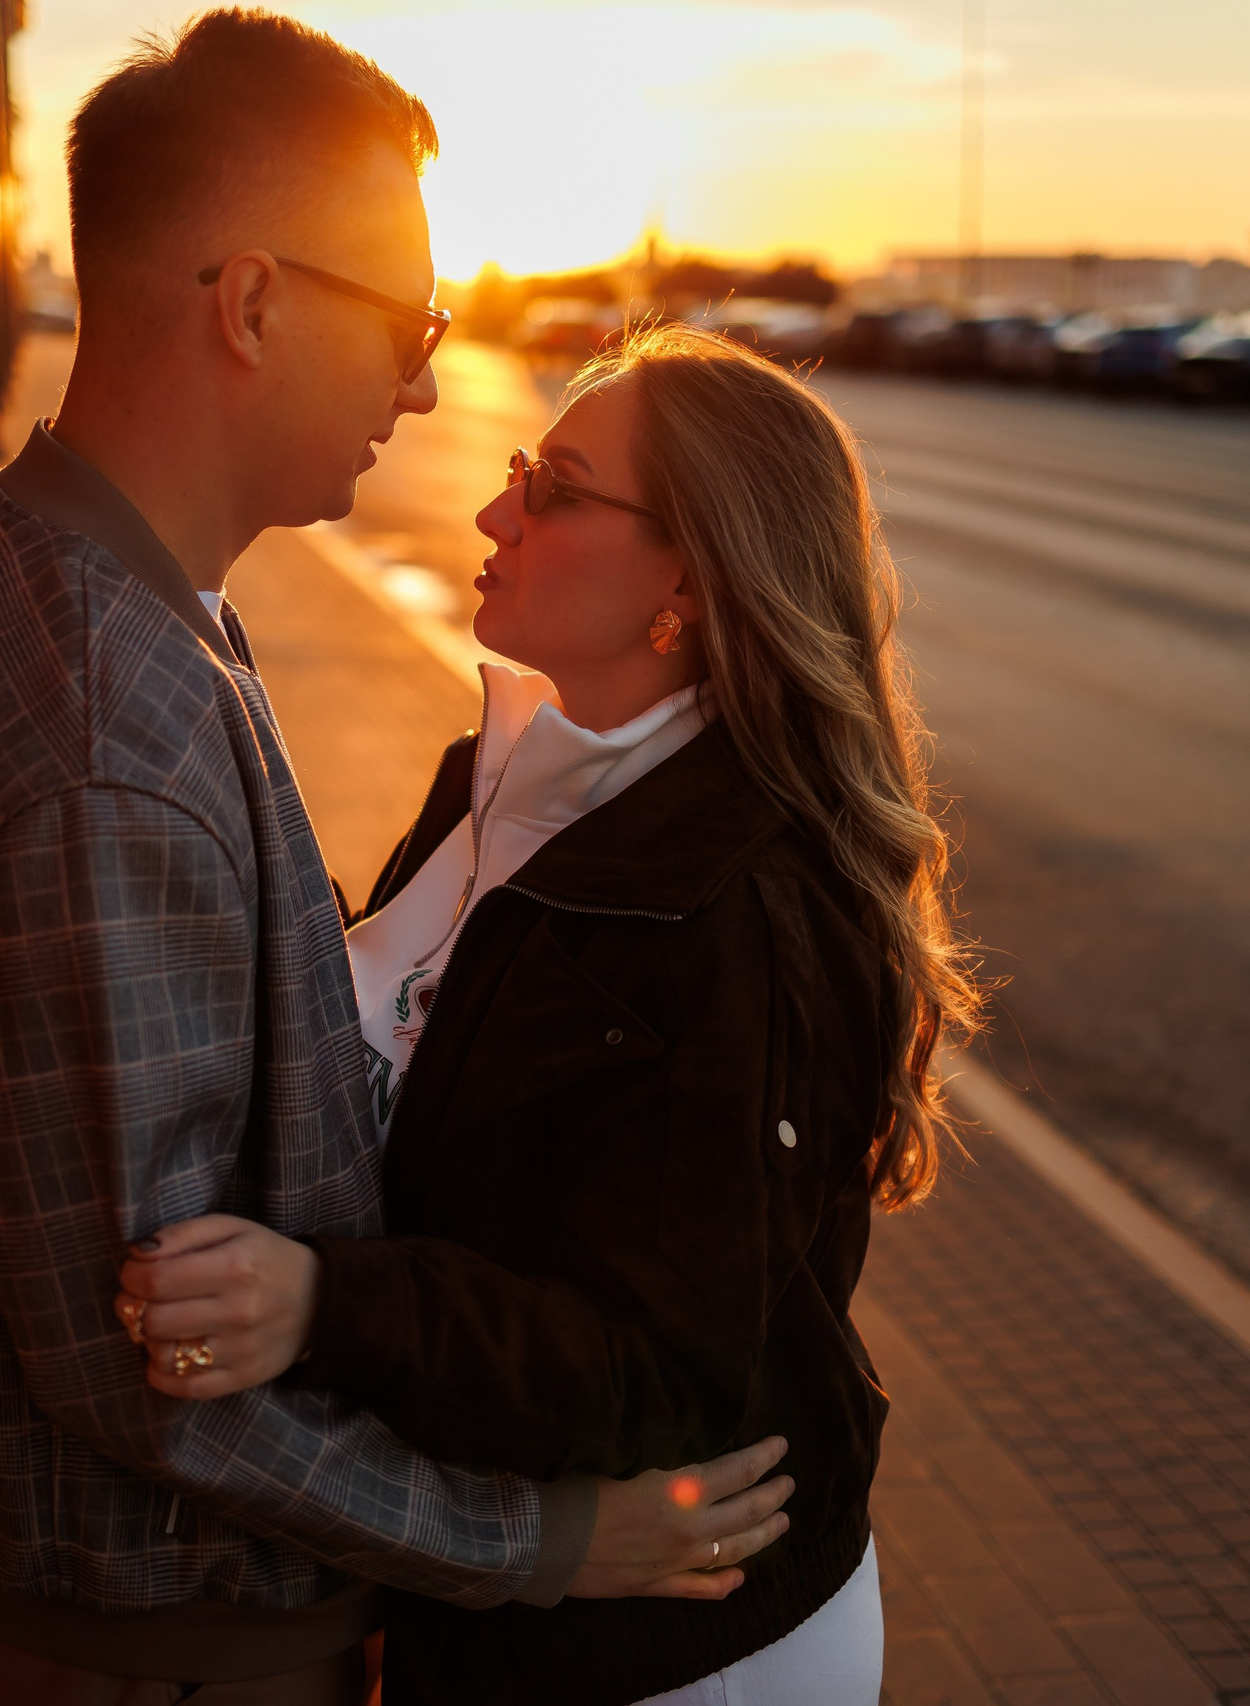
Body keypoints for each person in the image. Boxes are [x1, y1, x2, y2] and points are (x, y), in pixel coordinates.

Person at [0, 17, 788, 1705]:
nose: (426, 384)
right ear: (253, 303)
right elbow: (150, 1371)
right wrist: (549, 1539)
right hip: (190, 1648)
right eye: (410, 323)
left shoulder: (109, 592)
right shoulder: (94, 737)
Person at [113, 322, 983, 1705]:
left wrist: (328, 1308)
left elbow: (655, 1362)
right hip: (514, 1602)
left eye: (558, 488)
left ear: (688, 584)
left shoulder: (739, 910)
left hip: (674, 1650)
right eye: (524, 465)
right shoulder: (502, 775)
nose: (492, 507)